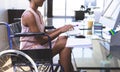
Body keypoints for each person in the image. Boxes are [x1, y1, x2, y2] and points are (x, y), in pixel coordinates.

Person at [20, 0, 74, 72]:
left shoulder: (37, 13)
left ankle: (66, 68)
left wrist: (62, 28)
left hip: (37, 46)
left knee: (64, 38)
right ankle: (67, 68)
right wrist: (60, 30)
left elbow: (44, 33)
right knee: (65, 43)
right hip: (30, 51)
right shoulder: (29, 15)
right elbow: (41, 40)